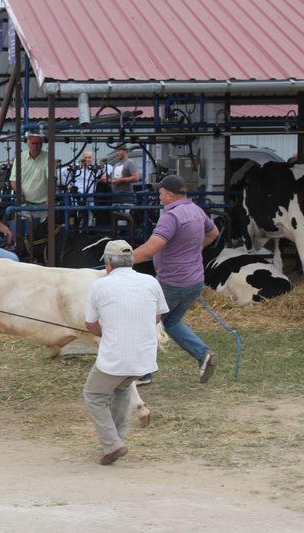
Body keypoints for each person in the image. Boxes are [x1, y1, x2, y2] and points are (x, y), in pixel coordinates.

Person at [84, 240, 168, 465]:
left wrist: (107, 331)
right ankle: (117, 441)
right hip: (144, 357)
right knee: (121, 390)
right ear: (131, 261)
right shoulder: (151, 282)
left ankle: (113, 445)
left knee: (94, 395)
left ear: (108, 263)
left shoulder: (99, 286)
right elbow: (158, 317)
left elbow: (90, 326)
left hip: (116, 357)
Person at [132, 174, 220, 384]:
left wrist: (121, 259)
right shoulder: (196, 210)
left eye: (160, 193)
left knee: (146, 322)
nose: (159, 197)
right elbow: (214, 232)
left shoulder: (171, 216)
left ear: (169, 194)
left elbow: (151, 249)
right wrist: (193, 249)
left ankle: (143, 373)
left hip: (172, 283)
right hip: (195, 281)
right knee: (170, 321)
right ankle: (203, 354)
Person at [10, 133, 49, 208]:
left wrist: (50, 198)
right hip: (24, 202)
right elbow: (13, 180)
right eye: (33, 143)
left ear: (42, 144)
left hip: (44, 203)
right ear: (28, 144)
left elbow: (52, 179)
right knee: (24, 219)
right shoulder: (20, 158)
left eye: (38, 143)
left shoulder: (48, 157)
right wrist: (20, 194)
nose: (35, 146)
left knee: (45, 220)